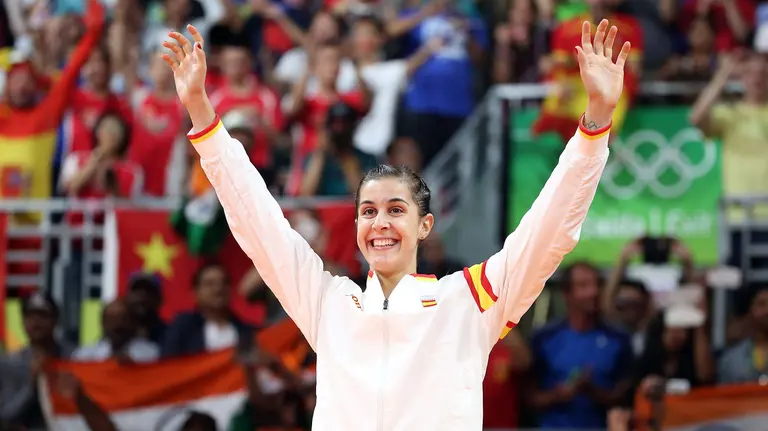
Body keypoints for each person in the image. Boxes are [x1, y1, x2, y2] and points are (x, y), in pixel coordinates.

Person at [161, 18, 631, 430]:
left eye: (395, 209)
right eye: (368, 211)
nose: (379, 223)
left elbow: (547, 232)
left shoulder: (469, 300)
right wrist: (202, 114)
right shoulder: (328, 303)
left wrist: (595, 124)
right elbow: (257, 221)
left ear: (425, 226)